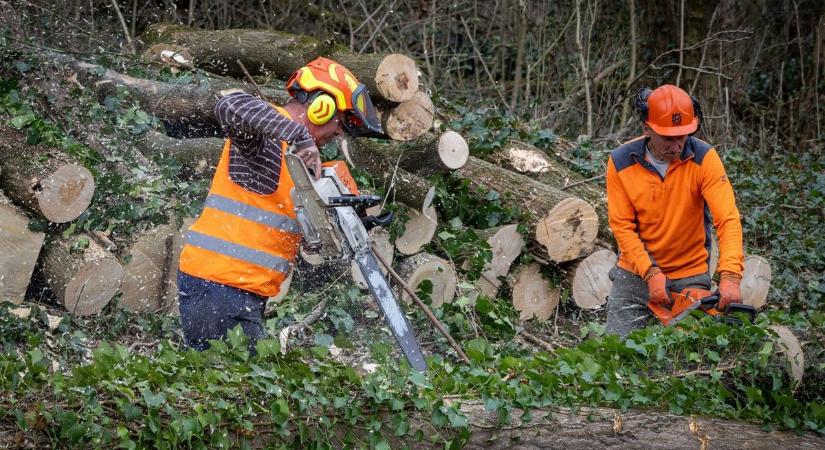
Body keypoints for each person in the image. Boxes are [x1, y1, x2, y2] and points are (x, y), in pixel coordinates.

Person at [177, 57, 383, 351]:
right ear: (320, 107)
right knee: (242, 383)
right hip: (218, 285)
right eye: (340, 122)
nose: (339, 133)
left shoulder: (300, 162)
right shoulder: (264, 136)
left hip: (242, 289)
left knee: (239, 383)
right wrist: (299, 135)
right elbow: (230, 105)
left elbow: (274, 221)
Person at [604, 84, 744, 338]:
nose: (678, 145)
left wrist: (730, 276)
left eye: (683, 136)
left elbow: (728, 219)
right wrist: (649, 272)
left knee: (687, 356)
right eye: (668, 138)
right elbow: (622, 226)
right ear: (647, 128)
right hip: (634, 272)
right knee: (616, 350)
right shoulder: (621, 161)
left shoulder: (704, 159)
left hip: (689, 273)